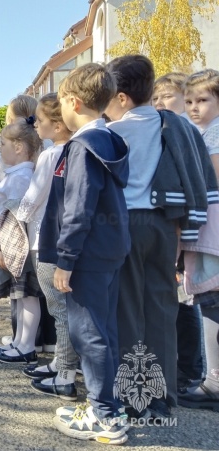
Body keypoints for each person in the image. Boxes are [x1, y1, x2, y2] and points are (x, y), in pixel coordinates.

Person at [39, 63, 130, 443]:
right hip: (108, 251)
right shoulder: (107, 138)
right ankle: (108, 401)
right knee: (105, 329)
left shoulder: (81, 146)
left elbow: (78, 207)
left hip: (87, 255)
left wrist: (66, 259)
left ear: (74, 101)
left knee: (87, 331)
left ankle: (104, 417)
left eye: (61, 104)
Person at [105, 55, 194, 419]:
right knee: (161, 307)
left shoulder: (113, 131)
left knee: (126, 308)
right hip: (163, 223)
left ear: (122, 97)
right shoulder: (170, 124)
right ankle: (162, 396)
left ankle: (133, 397)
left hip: (123, 222)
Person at [13, 93, 78, 399]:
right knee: (62, 308)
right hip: (60, 235)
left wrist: (14, 224)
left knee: (59, 308)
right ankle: (60, 362)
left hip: (43, 236)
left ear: (56, 123)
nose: (34, 125)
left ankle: (65, 370)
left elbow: (33, 197)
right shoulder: (69, 150)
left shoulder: (53, 155)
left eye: (39, 120)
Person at [152, 71, 207, 397]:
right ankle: (178, 364)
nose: (161, 104)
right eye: (156, 98)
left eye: (169, 98)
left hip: (191, 230)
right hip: (176, 229)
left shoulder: (189, 133)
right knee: (177, 298)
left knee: (188, 302)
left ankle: (190, 369)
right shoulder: (168, 131)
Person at [0, 121, 42, 367]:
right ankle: (19, 341)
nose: (0, 149)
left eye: (3, 144)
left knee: (27, 294)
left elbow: (17, 216)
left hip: (21, 243)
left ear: (19, 147)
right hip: (15, 242)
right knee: (18, 294)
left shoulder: (22, 177)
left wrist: (6, 247)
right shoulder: (16, 174)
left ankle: (26, 345)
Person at [180, 69, 219, 411]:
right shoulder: (205, 132)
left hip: (213, 225)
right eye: (189, 100)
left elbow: (211, 180)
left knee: (211, 298)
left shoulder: (214, 135)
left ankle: (214, 383)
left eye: (203, 100)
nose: (194, 107)